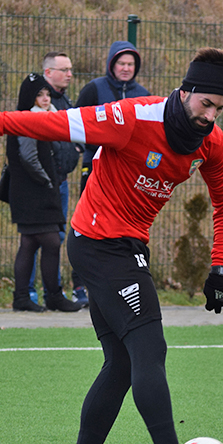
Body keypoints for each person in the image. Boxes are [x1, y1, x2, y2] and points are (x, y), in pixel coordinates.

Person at [0, 47, 223, 444]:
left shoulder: (210, 141)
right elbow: (50, 124)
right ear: (186, 91)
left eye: (221, 108)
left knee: (120, 364)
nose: (211, 115)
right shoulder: (132, 116)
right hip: (100, 243)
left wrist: (220, 266)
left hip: (126, 245)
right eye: (206, 104)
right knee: (149, 344)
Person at [70, 40, 152, 306]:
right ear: (111, 64)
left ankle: (117, 285)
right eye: (121, 63)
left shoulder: (143, 94)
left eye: (130, 64)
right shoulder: (94, 89)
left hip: (129, 177)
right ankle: (79, 286)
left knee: (123, 231)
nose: (126, 68)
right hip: (94, 169)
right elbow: (76, 120)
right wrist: (87, 150)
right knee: (87, 228)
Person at [5, 74, 82, 313]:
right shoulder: (29, 120)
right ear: (30, 97)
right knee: (49, 241)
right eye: (40, 94)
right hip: (35, 191)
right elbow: (29, 157)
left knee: (29, 242)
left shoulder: (43, 118)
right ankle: (52, 296)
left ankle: (24, 297)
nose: (46, 98)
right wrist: (47, 181)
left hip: (34, 189)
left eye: (48, 94)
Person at [26, 52, 82, 305]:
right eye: (64, 69)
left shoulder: (63, 101)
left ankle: (53, 292)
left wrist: (77, 148)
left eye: (70, 69)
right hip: (42, 183)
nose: (70, 74)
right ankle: (29, 292)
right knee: (34, 238)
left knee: (55, 238)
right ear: (48, 72)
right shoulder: (36, 102)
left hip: (60, 180)